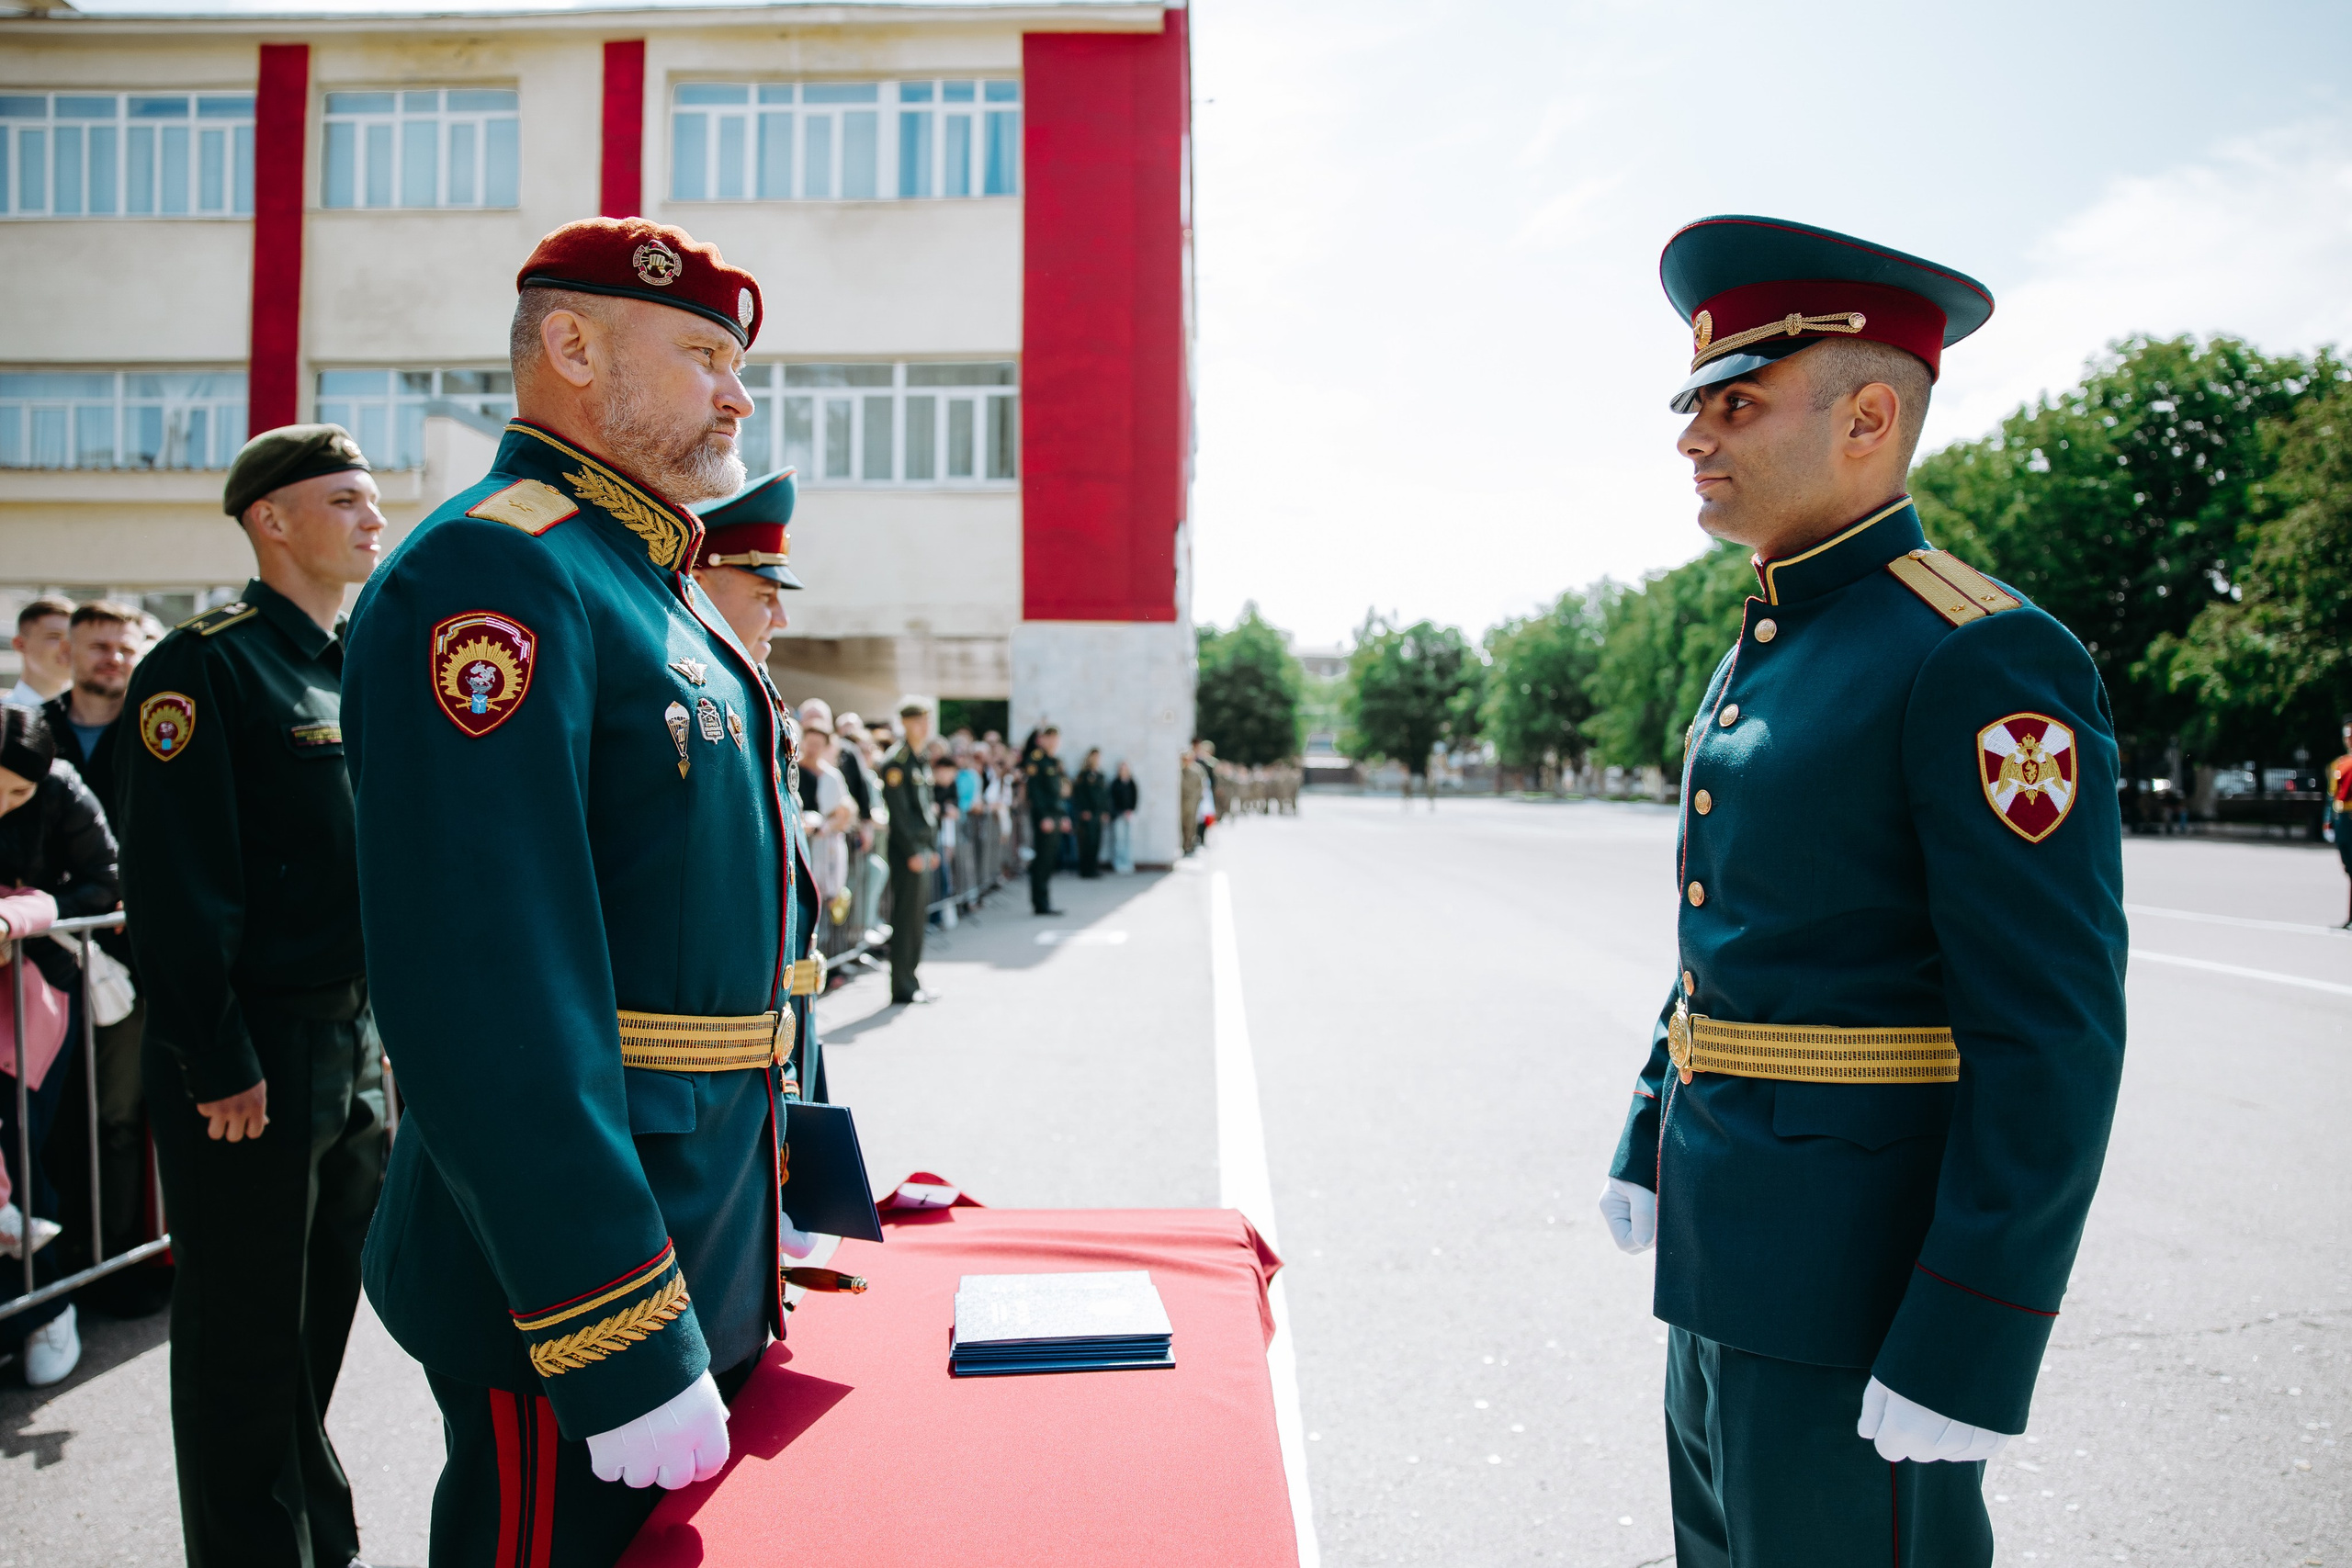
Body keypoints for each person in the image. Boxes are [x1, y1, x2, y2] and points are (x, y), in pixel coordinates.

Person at [1593, 216, 2126, 1568]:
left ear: (1870, 414)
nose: (1694, 437)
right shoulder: (1766, 642)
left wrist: (1971, 1328)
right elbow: (1741, 930)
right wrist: (1652, 1125)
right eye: (1696, 404)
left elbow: (2052, 1028)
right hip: (1726, 1256)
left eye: (1739, 400)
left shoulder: (1980, 655)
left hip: (1862, 1288)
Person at [343, 218, 795, 1563]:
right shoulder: (498, 568)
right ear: (575, 345)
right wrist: (614, 1317)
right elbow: (488, 986)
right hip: (574, 1275)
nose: (738, 391)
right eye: (706, 352)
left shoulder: (643, 575)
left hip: (694, 1214)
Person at [115, 423, 389, 1567]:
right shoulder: (205, 666)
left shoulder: (349, 664)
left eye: (374, 499)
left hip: (353, 1048)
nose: (373, 518)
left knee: (314, 1340)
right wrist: (217, 1056)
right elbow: (177, 889)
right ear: (270, 520)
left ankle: (310, 1544)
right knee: (241, 1356)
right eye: (345, 499)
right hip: (256, 1063)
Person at [690, 468, 829, 1101]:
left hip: (779, 1024)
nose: (782, 616)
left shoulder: (760, 699)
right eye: (764, 592)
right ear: (701, 578)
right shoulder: (705, 703)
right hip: (715, 1054)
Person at [38, 600, 158, 1312]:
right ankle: (59, 1264)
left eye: (122, 645)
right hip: (45, 959)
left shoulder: (156, 723)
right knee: (51, 1117)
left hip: (127, 962)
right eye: (96, 646)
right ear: (69, 652)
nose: (110, 658)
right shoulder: (36, 730)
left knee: (117, 1114)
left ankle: (115, 1261)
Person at [0, 705, 119, 1386]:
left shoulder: (63, 789)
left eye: (16, 793)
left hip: (38, 993)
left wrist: (25, 913)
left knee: (22, 1147)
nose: (5, 805)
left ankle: (45, 1307)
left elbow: (107, 880)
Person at [879, 700, 940, 1004]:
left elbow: (926, 810)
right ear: (905, 723)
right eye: (919, 721)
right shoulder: (897, 761)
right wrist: (914, 849)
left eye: (927, 721)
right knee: (905, 918)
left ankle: (912, 979)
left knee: (917, 918)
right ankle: (902, 985)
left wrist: (930, 846)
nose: (925, 727)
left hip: (921, 849)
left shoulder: (919, 758)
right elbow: (900, 815)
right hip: (907, 852)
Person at [1025, 726, 1071, 914]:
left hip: (1055, 816)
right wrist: (1044, 817)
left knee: (1049, 859)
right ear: (1042, 740)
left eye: (1056, 738)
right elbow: (1035, 793)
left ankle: (1044, 901)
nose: (1053, 742)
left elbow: (1058, 793)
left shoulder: (1054, 762)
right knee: (1042, 860)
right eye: (1049, 738)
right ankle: (1040, 904)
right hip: (1045, 817)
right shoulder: (1037, 760)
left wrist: (1062, 816)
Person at [8, 597, 74, 706]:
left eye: (74, 638)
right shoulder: (5, 716)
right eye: (55, 636)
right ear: (20, 644)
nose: (68, 647)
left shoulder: (98, 716)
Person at [1071, 747, 1108, 879]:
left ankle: (1093, 868)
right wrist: (1083, 810)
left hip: (1098, 814)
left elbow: (1104, 795)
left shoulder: (1101, 776)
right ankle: (1085, 870)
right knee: (1086, 842)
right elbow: (1079, 794)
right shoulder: (1083, 775)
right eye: (1094, 757)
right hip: (1087, 814)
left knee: (1096, 842)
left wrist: (1105, 811)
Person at [2329, 716, 2352, 928]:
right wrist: (2328, 822)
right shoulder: (2341, 763)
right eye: (2347, 735)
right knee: (2349, 868)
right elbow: (2332, 796)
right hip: (2342, 819)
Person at [1109, 760, 1138, 874]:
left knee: (1129, 840)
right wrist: (1119, 812)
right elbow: (1112, 799)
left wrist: (1131, 810)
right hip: (1118, 815)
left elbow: (1135, 797)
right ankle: (1119, 863)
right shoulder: (1115, 783)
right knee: (1119, 840)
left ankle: (1128, 862)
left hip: (1129, 815)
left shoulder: (1131, 783)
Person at [1178, 741, 1203, 855]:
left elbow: (1200, 787)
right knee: (1181, 824)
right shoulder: (1179, 772)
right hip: (1181, 801)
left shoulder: (1196, 771)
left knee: (1191, 824)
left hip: (1192, 801)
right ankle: (1182, 844)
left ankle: (1188, 844)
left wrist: (1197, 800)